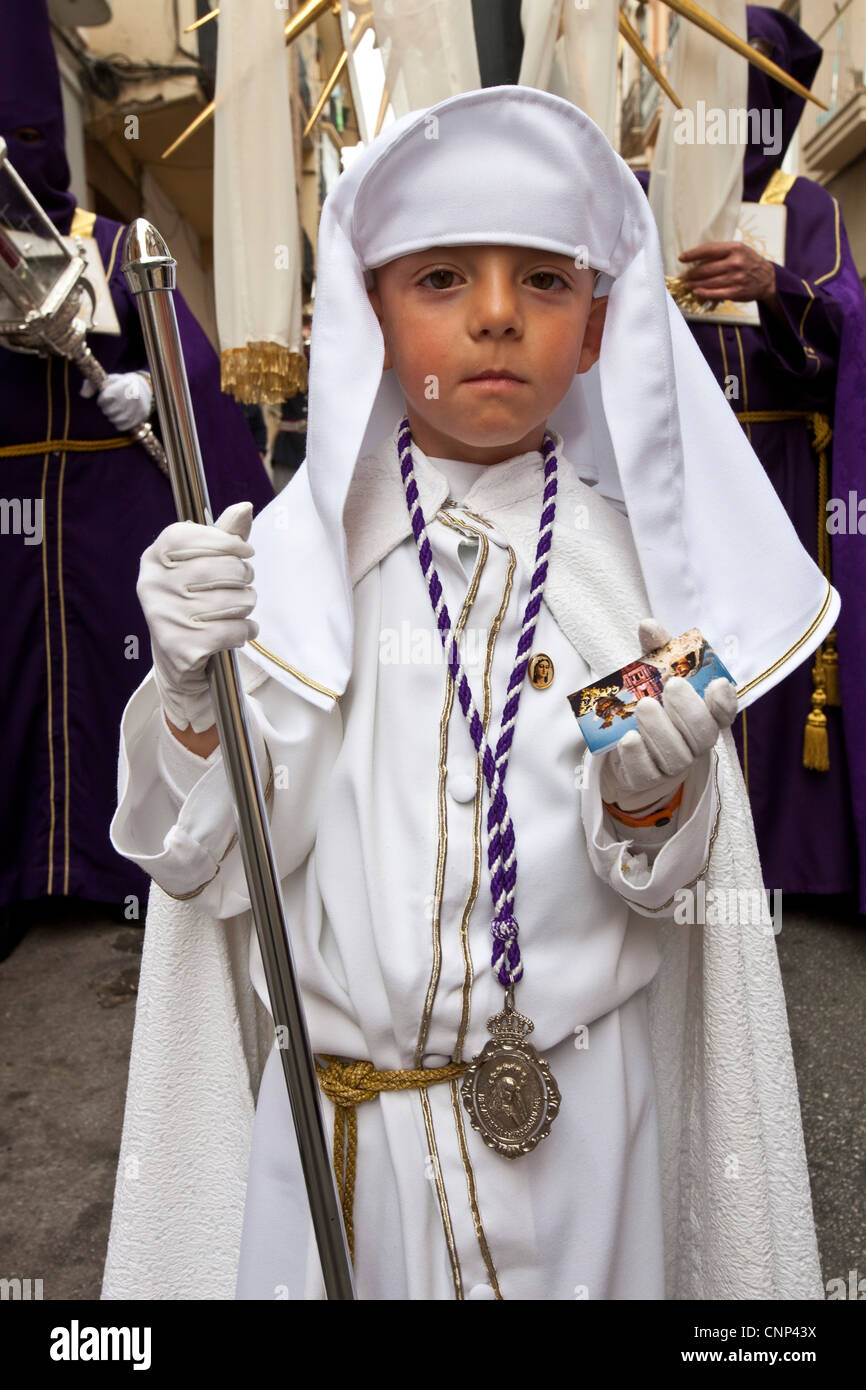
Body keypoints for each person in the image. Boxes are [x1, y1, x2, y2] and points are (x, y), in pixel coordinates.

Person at [104, 87, 833, 1301]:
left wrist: (653, 803)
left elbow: (661, 877)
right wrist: (193, 700)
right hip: (351, 1162)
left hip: (584, 1154)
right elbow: (216, 868)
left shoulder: (643, 580)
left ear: (598, 330)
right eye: (441, 277)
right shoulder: (292, 574)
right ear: (373, 316)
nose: (495, 315)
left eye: (544, 280)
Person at [0, 0, 274, 957]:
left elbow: (190, 375)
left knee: (124, 677)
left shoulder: (113, 245)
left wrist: (146, 393)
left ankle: (116, 863)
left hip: (109, 505)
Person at [635, 6, 866, 912]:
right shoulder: (640, 190)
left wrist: (780, 286)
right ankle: (654, 825)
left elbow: (850, 327)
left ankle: (780, 858)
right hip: (669, 462)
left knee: (768, 647)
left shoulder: (803, 208)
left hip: (778, 466)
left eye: (757, 77)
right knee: (665, 641)